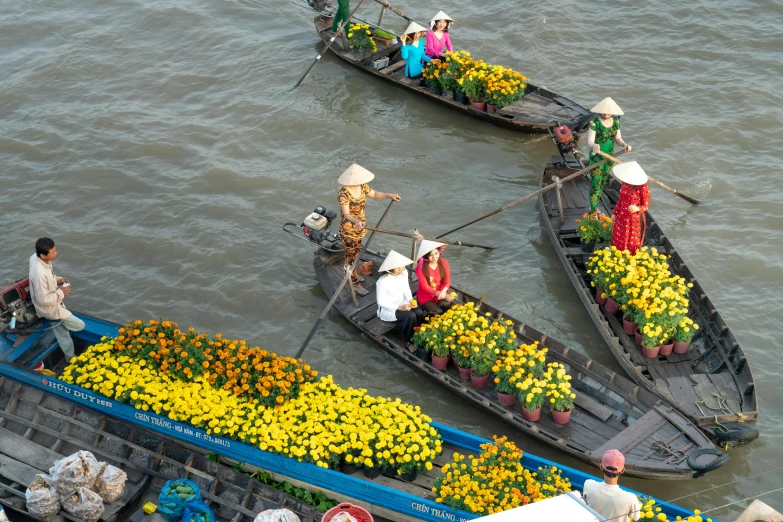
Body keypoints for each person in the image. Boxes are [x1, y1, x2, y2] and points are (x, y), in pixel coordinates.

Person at [337, 164, 401, 296]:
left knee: (356, 252)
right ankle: (353, 281)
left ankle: (352, 273)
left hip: (360, 227)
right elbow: (347, 214)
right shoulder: (343, 194)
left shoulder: (363, 187)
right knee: (351, 256)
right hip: (349, 230)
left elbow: (375, 194)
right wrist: (356, 222)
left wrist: (389, 195)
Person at [28, 238, 85, 363]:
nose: (56, 253)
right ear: (43, 255)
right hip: (49, 308)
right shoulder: (38, 274)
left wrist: (59, 280)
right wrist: (61, 292)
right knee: (79, 325)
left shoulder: (37, 257)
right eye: (53, 252)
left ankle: (70, 359)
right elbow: (43, 300)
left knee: (62, 333)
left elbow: (49, 277)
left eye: (55, 250)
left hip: (53, 300)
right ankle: (70, 351)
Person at [585, 97, 632, 215]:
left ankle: (595, 207)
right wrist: (594, 145)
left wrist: (625, 145)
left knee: (602, 182)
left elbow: (618, 139)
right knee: (596, 184)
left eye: (609, 111)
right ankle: (593, 212)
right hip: (597, 157)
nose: (606, 113)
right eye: (604, 111)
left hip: (609, 157)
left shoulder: (616, 121)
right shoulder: (594, 122)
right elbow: (590, 141)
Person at [375, 250, 424, 352]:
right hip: (389, 309)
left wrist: (410, 300)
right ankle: (408, 341)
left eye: (401, 266)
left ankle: (417, 334)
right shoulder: (382, 281)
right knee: (410, 316)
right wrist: (400, 308)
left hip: (403, 302)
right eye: (397, 267)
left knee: (419, 313)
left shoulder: (404, 272)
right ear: (390, 269)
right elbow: (381, 302)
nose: (401, 269)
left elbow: (406, 288)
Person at [582, 449, 642, 522]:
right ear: (622, 470)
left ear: (601, 467)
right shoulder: (630, 498)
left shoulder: (588, 484)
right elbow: (636, 517)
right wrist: (638, 504)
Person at [610, 161, 650, 254]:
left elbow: (646, 206)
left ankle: (629, 259)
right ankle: (617, 257)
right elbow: (621, 200)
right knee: (618, 236)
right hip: (622, 215)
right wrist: (615, 213)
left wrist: (638, 209)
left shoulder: (643, 187)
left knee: (630, 242)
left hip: (634, 218)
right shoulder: (625, 183)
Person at [415, 240, 454, 314]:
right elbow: (425, 287)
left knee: (446, 304)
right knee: (437, 311)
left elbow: (447, 280)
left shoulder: (444, 262)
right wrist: (439, 294)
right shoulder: (420, 268)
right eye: (430, 255)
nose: (434, 257)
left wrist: (444, 292)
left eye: (436, 253)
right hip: (426, 295)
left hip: (441, 292)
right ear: (426, 256)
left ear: (439, 252)